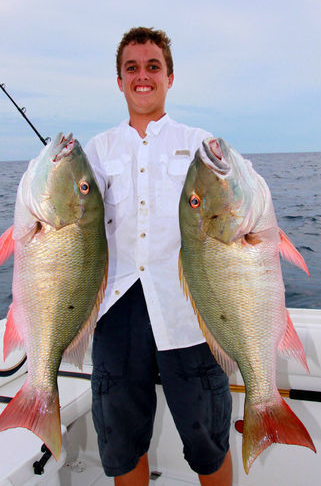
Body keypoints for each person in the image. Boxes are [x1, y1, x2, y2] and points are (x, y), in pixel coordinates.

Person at [84, 27, 233, 486]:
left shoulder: (202, 144)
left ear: (170, 77)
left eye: (153, 67)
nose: (142, 76)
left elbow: (239, 207)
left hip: (190, 309)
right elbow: (72, 223)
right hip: (116, 310)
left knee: (208, 441)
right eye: (132, 68)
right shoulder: (98, 149)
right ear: (119, 80)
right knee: (122, 444)